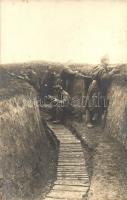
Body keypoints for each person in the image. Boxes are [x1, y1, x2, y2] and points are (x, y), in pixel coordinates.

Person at [85, 55, 120, 128]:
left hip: (95, 86)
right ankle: (89, 122)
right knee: (92, 104)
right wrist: (112, 72)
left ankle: (92, 121)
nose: (108, 61)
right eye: (107, 60)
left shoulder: (100, 67)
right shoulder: (101, 68)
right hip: (95, 87)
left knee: (94, 103)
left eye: (108, 60)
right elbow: (104, 77)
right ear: (103, 61)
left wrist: (112, 69)